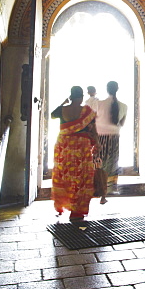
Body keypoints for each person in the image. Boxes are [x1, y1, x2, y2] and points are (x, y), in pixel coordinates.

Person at [51, 85, 98, 221]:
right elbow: (93, 128)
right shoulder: (87, 111)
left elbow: (52, 115)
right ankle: (76, 211)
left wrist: (64, 103)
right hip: (81, 146)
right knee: (80, 177)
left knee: (63, 174)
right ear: (82, 97)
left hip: (63, 145)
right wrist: (97, 144)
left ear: (71, 96)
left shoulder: (62, 110)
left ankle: (61, 204)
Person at [95, 80, 128, 201]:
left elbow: (92, 121)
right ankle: (108, 191)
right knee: (111, 165)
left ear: (106, 89)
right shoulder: (124, 106)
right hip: (114, 138)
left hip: (100, 138)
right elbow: (122, 124)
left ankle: (99, 191)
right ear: (117, 89)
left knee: (99, 164)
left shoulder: (99, 104)